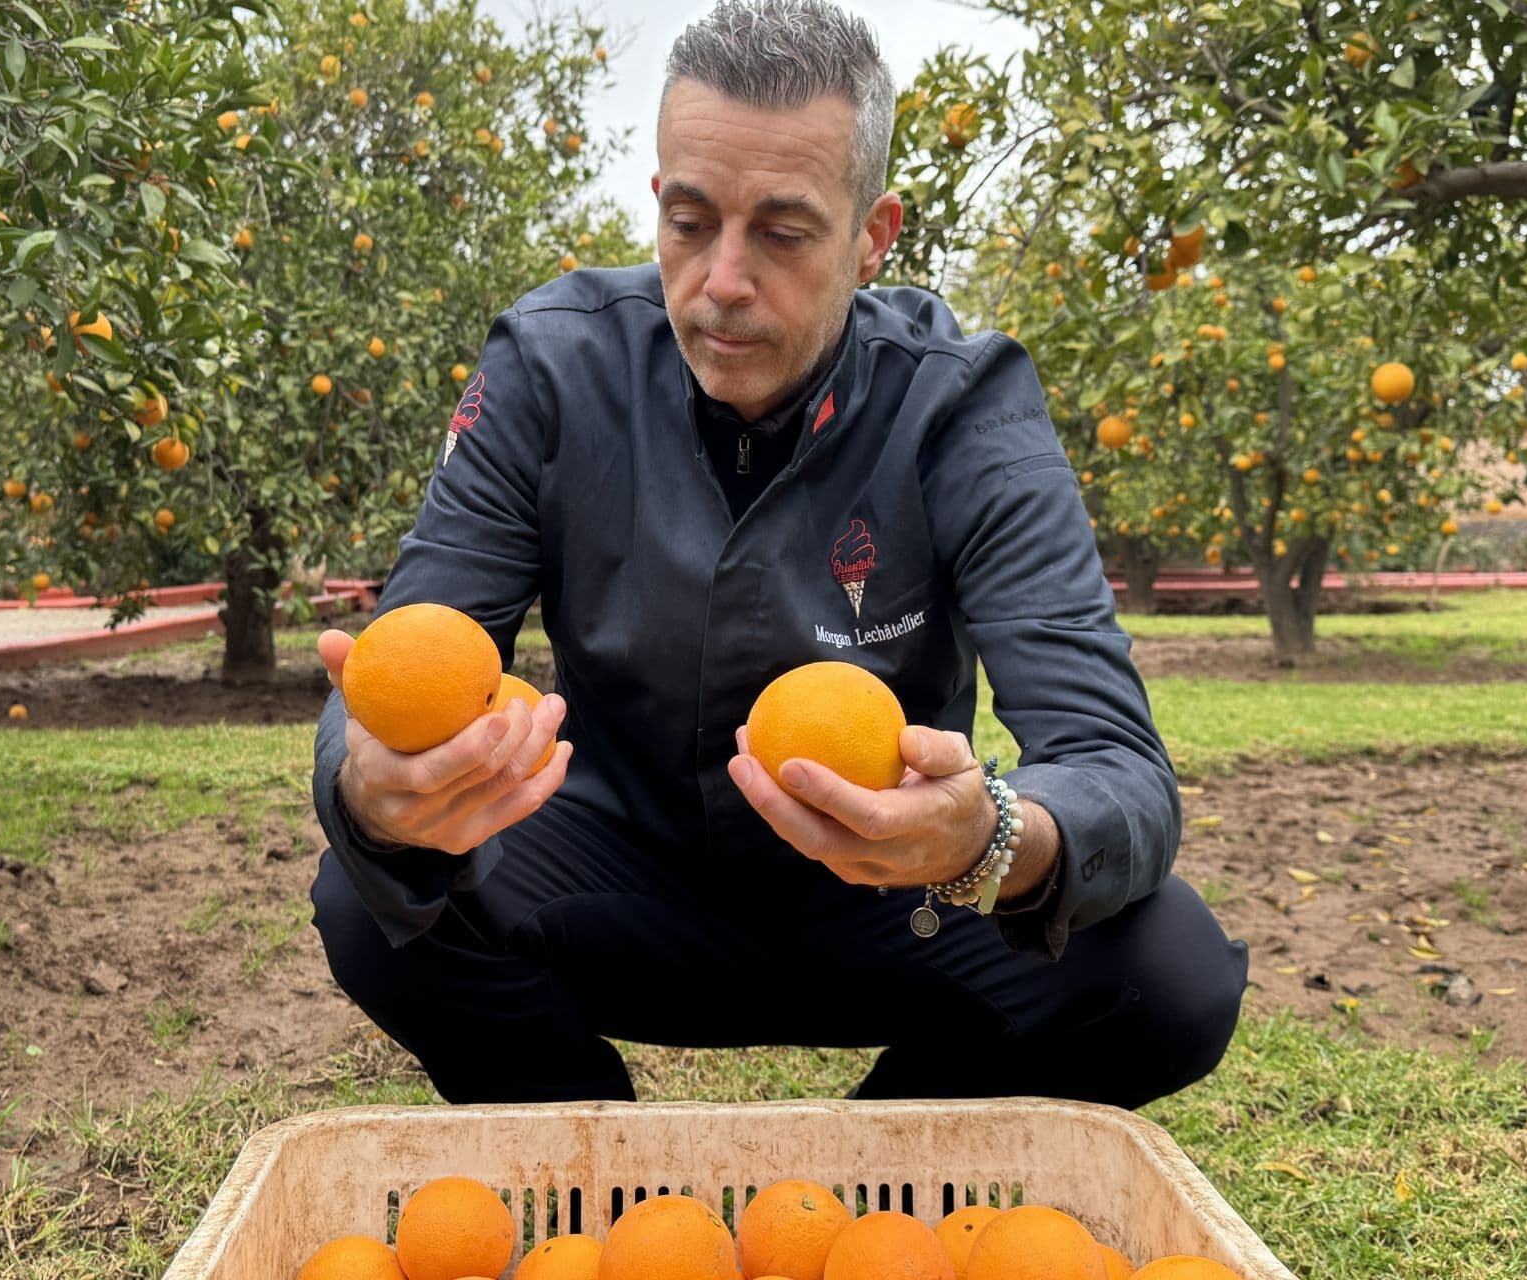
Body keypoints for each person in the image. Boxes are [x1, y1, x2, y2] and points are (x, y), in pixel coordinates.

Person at [309, 0, 1248, 1107]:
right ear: (657, 201)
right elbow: (412, 660)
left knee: (1166, 973)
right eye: (692, 222)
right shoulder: (550, 370)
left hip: (891, 885)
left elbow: (1115, 766)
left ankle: (868, 1195)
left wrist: (991, 833)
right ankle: (616, 1193)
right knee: (372, 899)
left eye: (785, 232)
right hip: (609, 870)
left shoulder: (964, 403)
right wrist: (371, 784)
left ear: (873, 234)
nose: (723, 282)